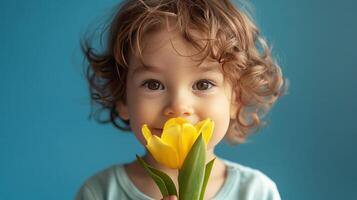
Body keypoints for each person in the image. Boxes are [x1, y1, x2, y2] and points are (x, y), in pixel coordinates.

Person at [75, 0, 287, 199]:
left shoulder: (257, 192)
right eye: (153, 84)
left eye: (203, 84)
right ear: (122, 98)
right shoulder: (99, 192)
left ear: (237, 99)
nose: (178, 107)